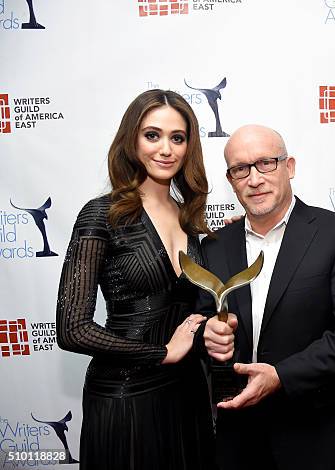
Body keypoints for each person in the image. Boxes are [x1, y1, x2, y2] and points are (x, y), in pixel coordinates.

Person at [56, 89, 216, 470]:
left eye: (177, 138)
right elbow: (71, 328)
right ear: (132, 139)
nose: (166, 149)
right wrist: (161, 353)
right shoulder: (102, 215)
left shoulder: (192, 221)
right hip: (124, 394)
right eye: (152, 135)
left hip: (187, 393)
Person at [195, 125, 335, 470]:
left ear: (289, 167)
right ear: (231, 180)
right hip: (239, 440)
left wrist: (282, 376)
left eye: (265, 163)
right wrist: (208, 336)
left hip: (318, 438)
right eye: (240, 169)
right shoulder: (215, 246)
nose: (254, 178)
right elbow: (202, 320)